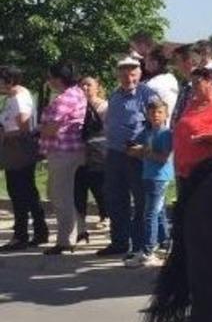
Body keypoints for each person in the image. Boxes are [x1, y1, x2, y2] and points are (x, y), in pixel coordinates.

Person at [99, 56, 159, 257]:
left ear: (139, 74)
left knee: (141, 201)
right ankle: (119, 242)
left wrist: (145, 147)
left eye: (132, 74)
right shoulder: (115, 94)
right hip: (114, 153)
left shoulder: (147, 95)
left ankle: (140, 245)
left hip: (137, 155)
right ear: (118, 75)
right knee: (115, 199)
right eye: (124, 74)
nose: (128, 78)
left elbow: (157, 124)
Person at [38, 62, 88, 254]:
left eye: (50, 77)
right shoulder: (78, 93)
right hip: (72, 150)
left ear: (59, 79)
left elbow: (52, 128)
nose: (48, 80)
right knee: (64, 194)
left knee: (60, 196)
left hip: (63, 151)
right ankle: (79, 230)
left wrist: (39, 129)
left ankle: (65, 240)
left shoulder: (64, 98)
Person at [0, 65, 48, 250]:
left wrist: (4, 135)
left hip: (18, 150)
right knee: (27, 191)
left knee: (19, 191)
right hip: (15, 150)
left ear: (9, 81)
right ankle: (39, 231)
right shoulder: (13, 97)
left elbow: (24, 129)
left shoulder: (19, 99)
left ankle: (21, 236)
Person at [126, 99, 173, 268]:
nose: (156, 115)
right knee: (158, 213)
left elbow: (164, 158)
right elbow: (133, 149)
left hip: (159, 177)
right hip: (148, 175)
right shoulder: (147, 132)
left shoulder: (165, 134)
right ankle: (164, 244)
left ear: (166, 114)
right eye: (152, 112)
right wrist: (136, 150)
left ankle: (148, 252)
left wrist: (145, 151)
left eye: (160, 112)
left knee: (150, 214)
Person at [173, 67, 212, 192]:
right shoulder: (191, 103)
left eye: (197, 82)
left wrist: (206, 137)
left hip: (206, 171)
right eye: (192, 83)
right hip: (183, 170)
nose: (193, 87)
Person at [75, 76, 109, 241]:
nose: (85, 88)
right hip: (80, 153)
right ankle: (80, 222)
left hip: (98, 153)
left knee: (99, 187)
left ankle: (105, 215)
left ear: (97, 87)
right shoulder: (76, 106)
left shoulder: (104, 106)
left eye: (89, 85)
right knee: (79, 187)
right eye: (82, 85)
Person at [170, 43, 197, 126]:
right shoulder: (184, 84)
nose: (176, 65)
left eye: (178, 61)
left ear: (189, 62)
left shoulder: (198, 87)